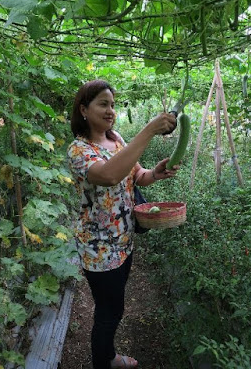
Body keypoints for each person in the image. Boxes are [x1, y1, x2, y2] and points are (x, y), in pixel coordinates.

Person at [67, 79, 179, 369]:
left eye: (113, 105)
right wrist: (150, 130)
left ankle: (106, 357)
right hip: (99, 250)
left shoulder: (115, 138)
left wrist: (155, 172)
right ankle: (105, 361)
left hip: (124, 242)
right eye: (103, 104)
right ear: (83, 109)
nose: (111, 110)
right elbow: (108, 175)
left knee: (114, 307)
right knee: (108, 312)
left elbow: (137, 175)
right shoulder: (79, 150)